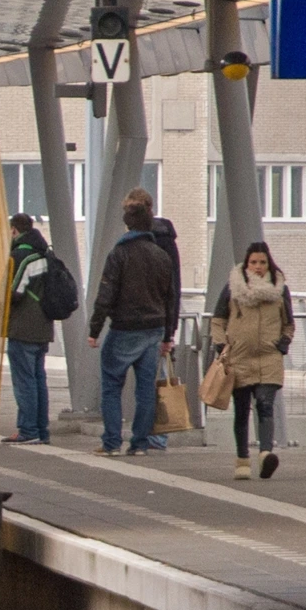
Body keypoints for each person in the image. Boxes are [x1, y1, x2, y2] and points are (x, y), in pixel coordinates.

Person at [87, 199, 178, 457]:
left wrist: (95, 330)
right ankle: (140, 443)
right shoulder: (161, 256)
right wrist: (168, 335)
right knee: (146, 388)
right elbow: (170, 298)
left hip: (124, 328)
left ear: (127, 224)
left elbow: (106, 295)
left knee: (112, 385)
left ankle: (112, 442)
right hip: (153, 329)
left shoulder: (119, 254)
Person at [211, 242, 294, 480]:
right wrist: (221, 346)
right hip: (239, 357)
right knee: (241, 410)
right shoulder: (232, 289)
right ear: (246, 264)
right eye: (253, 262)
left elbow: (288, 322)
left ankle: (266, 454)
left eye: (262, 262)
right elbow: (218, 320)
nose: (258, 267)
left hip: (269, 356)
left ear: (269, 264)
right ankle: (242, 459)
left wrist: (283, 343)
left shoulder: (279, 290)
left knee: (265, 405)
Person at [125, 187, 183, 450]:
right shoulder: (157, 240)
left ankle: (155, 434)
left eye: (132, 209)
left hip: (152, 320)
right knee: (151, 380)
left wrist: (169, 332)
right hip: (150, 318)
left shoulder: (158, 241)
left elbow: (172, 288)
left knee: (152, 380)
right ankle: (151, 434)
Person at [4, 214, 58, 445]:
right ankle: (41, 430)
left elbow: (14, 293)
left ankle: (28, 430)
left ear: (14, 230)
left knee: (24, 380)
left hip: (23, 327)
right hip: (43, 326)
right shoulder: (45, 254)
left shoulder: (21, 257)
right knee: (38, 379)